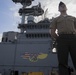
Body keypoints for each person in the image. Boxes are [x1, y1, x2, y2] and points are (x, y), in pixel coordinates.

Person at [49, 1, 76, 75]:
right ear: (59, 9)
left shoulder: (73, 18)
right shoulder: (56, 19)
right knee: (62, 62)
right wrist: (59, 39)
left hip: (73, 38)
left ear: (66, 8)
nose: (62, 6)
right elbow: (52, 32)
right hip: (62, 39)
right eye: (60, 6)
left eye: (63, 5)